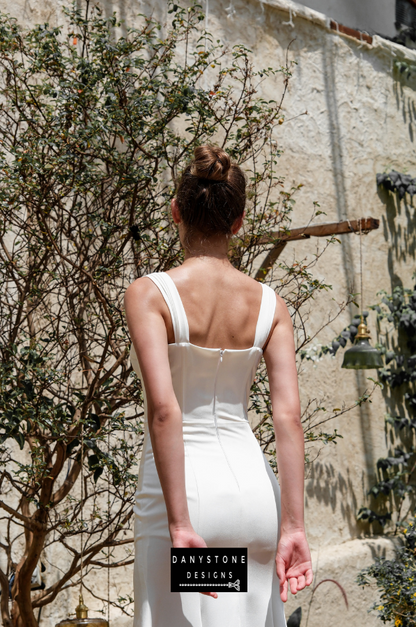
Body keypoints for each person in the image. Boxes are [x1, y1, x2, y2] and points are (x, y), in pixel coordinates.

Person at [124, 145, 313, 627]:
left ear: (176, 212)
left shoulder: (151, 294)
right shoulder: (272, 306)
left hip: (187, 506)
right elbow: (287, 417)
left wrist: (181, 524)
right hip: (254, 501)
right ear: (239, 222)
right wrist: (294, 526)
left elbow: (165, 411)